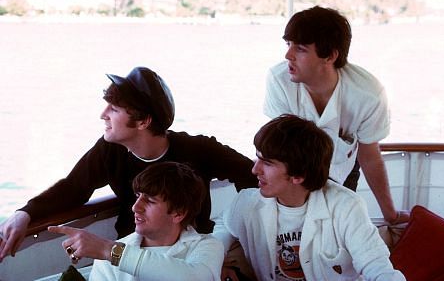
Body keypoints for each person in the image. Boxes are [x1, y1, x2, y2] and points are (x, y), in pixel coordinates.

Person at [0, 66, 257, 262]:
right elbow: (73, 188)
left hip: (190, 256)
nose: (103, 115)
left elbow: (252, 175)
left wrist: (232, 233)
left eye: (114, 109)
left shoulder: (199, 150)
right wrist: (26, 213)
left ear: (143, 121)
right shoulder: (110, 151)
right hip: (128, 253)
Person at [263, 5, 409, 225]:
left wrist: (391, 215)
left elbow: (369, 156)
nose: (288, 55)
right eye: (288, 44)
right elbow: (278, 148)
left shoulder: (368, 95)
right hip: (293, 169)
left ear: (329, 56)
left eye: (300, 49)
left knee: (337, 229)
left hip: (342, 172)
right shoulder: (279, 79)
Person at [214, 115, 406, 281]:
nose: (255, 169)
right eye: (258, 158)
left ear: (298, 176)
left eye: (267, 163)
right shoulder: (247, 204)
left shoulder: (346, 207)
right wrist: (215, 264)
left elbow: (378, 266)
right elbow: (220, 230)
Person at [48, 161, 224, 281]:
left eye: (150, 201)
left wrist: (108, 250)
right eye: (138, 196)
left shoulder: (207, 246)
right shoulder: (109, 256)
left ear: (178, 213)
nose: (135, 207)